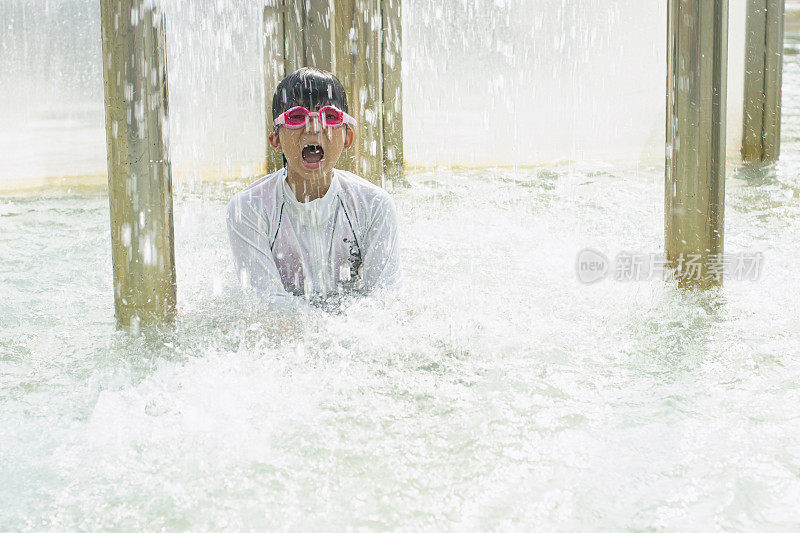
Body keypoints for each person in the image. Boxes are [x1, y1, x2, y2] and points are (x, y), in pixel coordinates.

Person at [226, 67, 402, 311]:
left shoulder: (373, 204)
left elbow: (385, 299)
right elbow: (267, 306)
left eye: (329, 116)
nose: (313, 128)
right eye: (297, 117)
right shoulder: (249, 207)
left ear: (347, 137)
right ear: (275, 139)